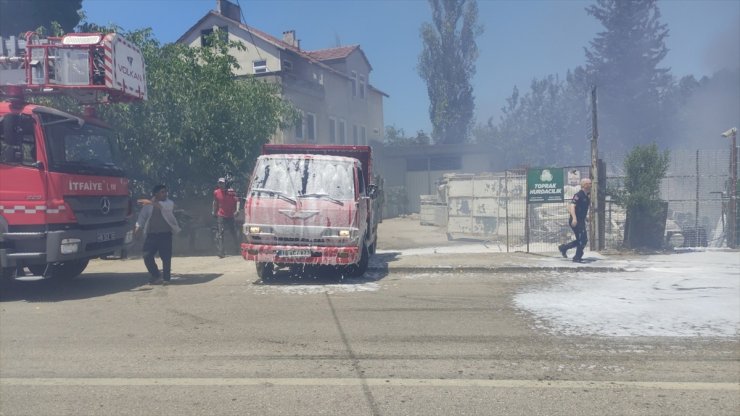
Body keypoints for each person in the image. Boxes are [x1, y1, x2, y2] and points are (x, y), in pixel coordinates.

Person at [135, 184, 181, 284]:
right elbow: (142, 218)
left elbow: (160, 206)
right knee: (146, 255)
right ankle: (156, 275)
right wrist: (138, 227)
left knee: (166, 257)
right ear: (156, 194)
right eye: (162, 192)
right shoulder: (148, 206)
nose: (165, 194)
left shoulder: (168, 203)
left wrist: (149, 202)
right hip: (152, 235)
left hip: (165, 234)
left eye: (165, 192)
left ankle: (166, 279)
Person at [559, 178, 592, 263]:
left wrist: (586, 218)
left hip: (581, 220)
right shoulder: (578, 195)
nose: (590, 185)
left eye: (590, 183)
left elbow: (583, 209)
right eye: (588, 183)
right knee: (583, 240)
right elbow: (572, 206)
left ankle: (564, 248)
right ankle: (577, 257)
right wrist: (574, 218)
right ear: (584, 185)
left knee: (580, 240)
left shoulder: (586, 195)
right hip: (576, 221)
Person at [213, 177, 239, 258]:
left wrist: (237, 210)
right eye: (219, 183)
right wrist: (214, 211)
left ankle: (237, 249)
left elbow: (237, 201)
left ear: (225, 184)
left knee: (233, 233)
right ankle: (221, 252)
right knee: (220, 233)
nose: (220, 184)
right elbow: (215, 202)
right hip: (221, 215)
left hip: (230, 215)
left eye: (222, 183)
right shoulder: (216, 192)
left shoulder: (231, 192)